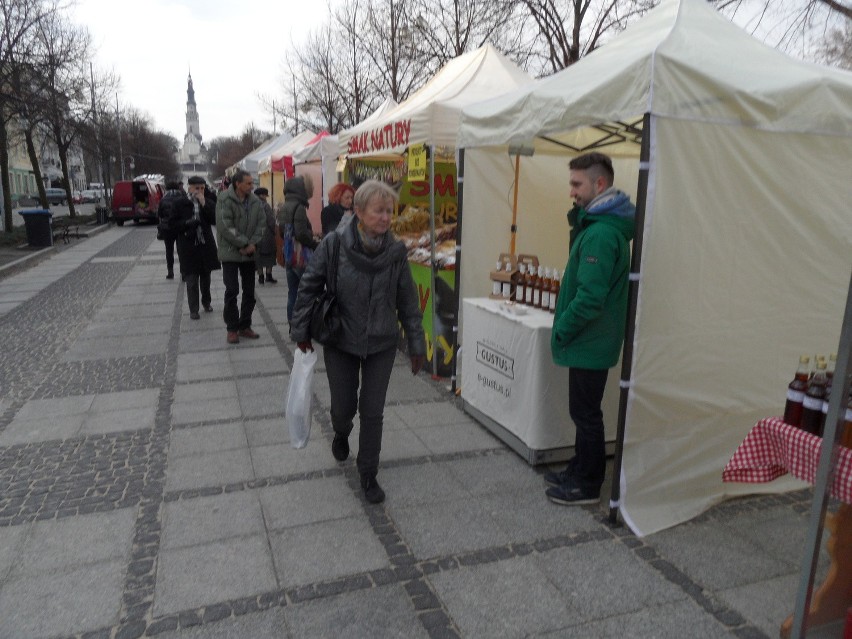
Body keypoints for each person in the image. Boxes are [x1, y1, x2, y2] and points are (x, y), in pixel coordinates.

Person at [291, 180, 426, 504]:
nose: (385, 218)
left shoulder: (394, 253)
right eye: (379, 211)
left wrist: (417, 344)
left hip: (381, 341)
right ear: (360, 212)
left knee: (373, 410)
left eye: (389, 212)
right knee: (343, 407)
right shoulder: (335, 244)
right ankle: (341, 431)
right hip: (341, 337)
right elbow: (308, 286)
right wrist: (301, 333)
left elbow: (408, 300)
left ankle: (368, 473)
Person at [544, 152, 635, 506]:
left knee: (586, 414)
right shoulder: (598, 227)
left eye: (576, 184)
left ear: (599, 184)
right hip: (592, 340)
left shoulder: (600, 234)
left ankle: (587, 483)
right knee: (583, 411)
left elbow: (590, 297)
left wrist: (563, 327)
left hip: (590, 340)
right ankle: (579, 467)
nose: (571, 192)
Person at [215, 169, 265, 344]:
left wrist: (252, 244)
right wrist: (243, 243)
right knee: (232, 291)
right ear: (238, 184)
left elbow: (261, 224)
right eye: (249, 183)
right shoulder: (224, 199)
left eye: (252, 183)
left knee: (249, 292)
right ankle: (232, 328)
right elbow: (224, 225)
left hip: (249, 253)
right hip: (230, 253)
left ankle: (245, 325)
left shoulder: (256, 202)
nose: (252, 186)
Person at [169, 176, 220, 319]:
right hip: (188, 246)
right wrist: (186, 224)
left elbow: (215, 219)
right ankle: (194, 309)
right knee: (191, 280)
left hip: (205, 245)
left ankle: (206, 302)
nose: (200, 191)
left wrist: (204, 203)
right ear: (189, 187)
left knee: (206, 278)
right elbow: (172, 225)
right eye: (197, 188)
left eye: (202, 188)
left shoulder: (208, 201)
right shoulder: (179, 203)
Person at [278, 174, 320, 327]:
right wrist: (314, 243)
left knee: (293, 292)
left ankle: (292, 324)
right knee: (307, 292)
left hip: (289, 255)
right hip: (301, 258)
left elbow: (283, 231)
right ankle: (303, 324)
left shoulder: (285, 206)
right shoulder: (299, 207)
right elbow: (301, 233)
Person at [157, 180, 183, 279]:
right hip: (179, 227)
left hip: (167, 228)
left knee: (169, 250)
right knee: (181, 250)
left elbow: (159, 214)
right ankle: (183, 271)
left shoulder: (163, 199)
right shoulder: (181, 197)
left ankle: (170, 271)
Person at [253, 187, 278, 285]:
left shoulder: (252, 205)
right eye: (265, 195)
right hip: (267, 234)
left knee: (258, 256)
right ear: (262, 196)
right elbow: (271, 221)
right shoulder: (265, 206)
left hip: (256, 235)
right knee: (270, 255)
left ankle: (260, 277)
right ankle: (268, 275)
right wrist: (273, 230)